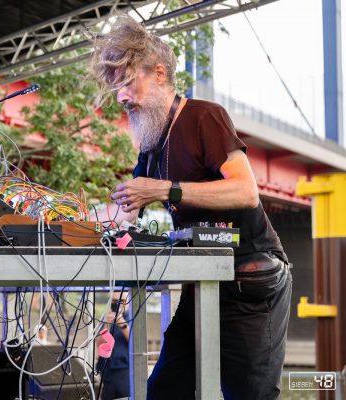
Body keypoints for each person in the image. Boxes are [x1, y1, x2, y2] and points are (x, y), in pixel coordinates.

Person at [90, 15, 292, 399]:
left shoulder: (205, 116)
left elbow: (246, 192)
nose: (121, 97)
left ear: (159, 74)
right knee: (164, 391)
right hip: (205, 282)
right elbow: (122, 211)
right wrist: (57, 223)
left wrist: (167, 190)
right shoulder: (151, 144)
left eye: (128, 82)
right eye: (116, 87)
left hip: (250, 280)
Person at [96, 292, 130, 400]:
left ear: (128, 303)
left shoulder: (132, 317)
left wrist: (122, 323)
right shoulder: (107, 318)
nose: (118, 305)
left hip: (124, 371)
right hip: (107, 372)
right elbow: (99, 344)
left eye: (121, 302)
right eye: (115, 302)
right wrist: (107, 325)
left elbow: (136, 341)